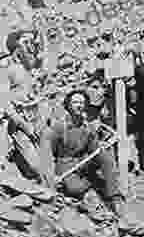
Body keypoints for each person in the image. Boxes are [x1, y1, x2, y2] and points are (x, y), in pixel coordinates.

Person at [39, 89, 124, 222]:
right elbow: (48, 153)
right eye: (75, 102)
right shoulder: (59, 127)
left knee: (105, 157)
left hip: (82, 162)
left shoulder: (87, 127)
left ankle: (115, 198)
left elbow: (94, 149)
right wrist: (51, 176)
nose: (79, 105)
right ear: (68, 105)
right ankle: (93, 184)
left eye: (82, 103)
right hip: (65, 164)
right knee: (76, 189)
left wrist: (101, 148)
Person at [0, 29, 50, 179]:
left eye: (31, 42)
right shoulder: (5, 67)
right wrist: (24, 125)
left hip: (35, 120)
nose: (30, 46)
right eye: (25, 42)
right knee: (37, 168)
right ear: (15, 47)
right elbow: (2, 102)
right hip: (17, 123)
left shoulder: (27, 68)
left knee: (49, 164)